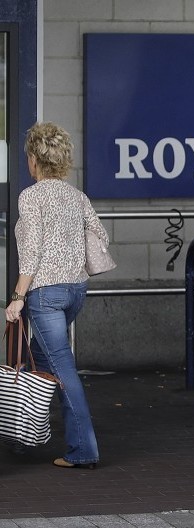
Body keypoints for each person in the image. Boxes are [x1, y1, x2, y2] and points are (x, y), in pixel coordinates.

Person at [4, 121, 109, 470]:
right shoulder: (77, 196)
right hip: (75, 290)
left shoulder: (31, 197)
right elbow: (100, 236)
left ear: (34, 158)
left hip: (45, 294)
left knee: (62, 371)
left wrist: (18, 296)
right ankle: (22, 436)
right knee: (40, 361)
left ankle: (83, 450)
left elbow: (30, 252)